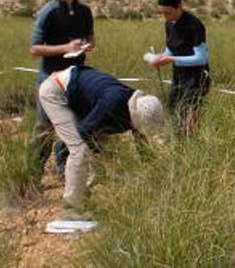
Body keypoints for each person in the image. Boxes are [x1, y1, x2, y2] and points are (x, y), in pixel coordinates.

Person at [38, 65, 164, 215]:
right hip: (56, 91)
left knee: (94, 157)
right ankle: (71, 208)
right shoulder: (111, 105)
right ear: (135, 117)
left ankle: (83, 196)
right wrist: (99, 155)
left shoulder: (136, 103)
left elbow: (142, 144)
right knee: (79, 149)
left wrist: (157, 174)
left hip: (76, 95)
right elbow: (82, 134)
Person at [28, 0, 95, 176]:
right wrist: (65, 48)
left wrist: (86, 45)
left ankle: (62, 171)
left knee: (71, 124)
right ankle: (33, 173)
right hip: (51, 78)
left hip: (76, 76)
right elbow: (35, 48)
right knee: (44, 128)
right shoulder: (48, 12)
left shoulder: (85, 11)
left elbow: (90, 37)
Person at [148, 0, 210, 135]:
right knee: (171, 108)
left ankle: (189, 145)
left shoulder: (194, 25)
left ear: (179, 7)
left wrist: (170, 59)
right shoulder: (168, 24)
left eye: (168, 12)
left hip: (196, 79)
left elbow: (201, 58)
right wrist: (161, 57)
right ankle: (176, 142)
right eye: (162, 13)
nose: (165, 16)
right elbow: (171, 48)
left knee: (187, 116)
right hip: (179, 77)